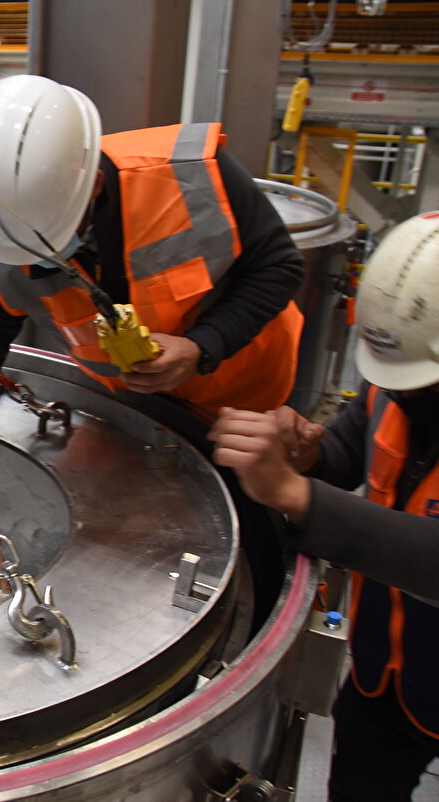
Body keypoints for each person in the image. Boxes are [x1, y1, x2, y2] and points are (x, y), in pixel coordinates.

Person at [0, 74, 306, 611]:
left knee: (260, 557)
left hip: (242, 404)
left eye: (57, 245)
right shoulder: (8, 246)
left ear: (95, 187)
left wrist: (202, 347)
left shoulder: (193, 177)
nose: (48, 266)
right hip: (135, 413)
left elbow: (279, 265)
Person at [209, 211, 439, 802]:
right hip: (380, 679)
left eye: (416, 384)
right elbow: (354, 443)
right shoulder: (403, 374)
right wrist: (308, 451)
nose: (399, 393)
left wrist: (293, 494)